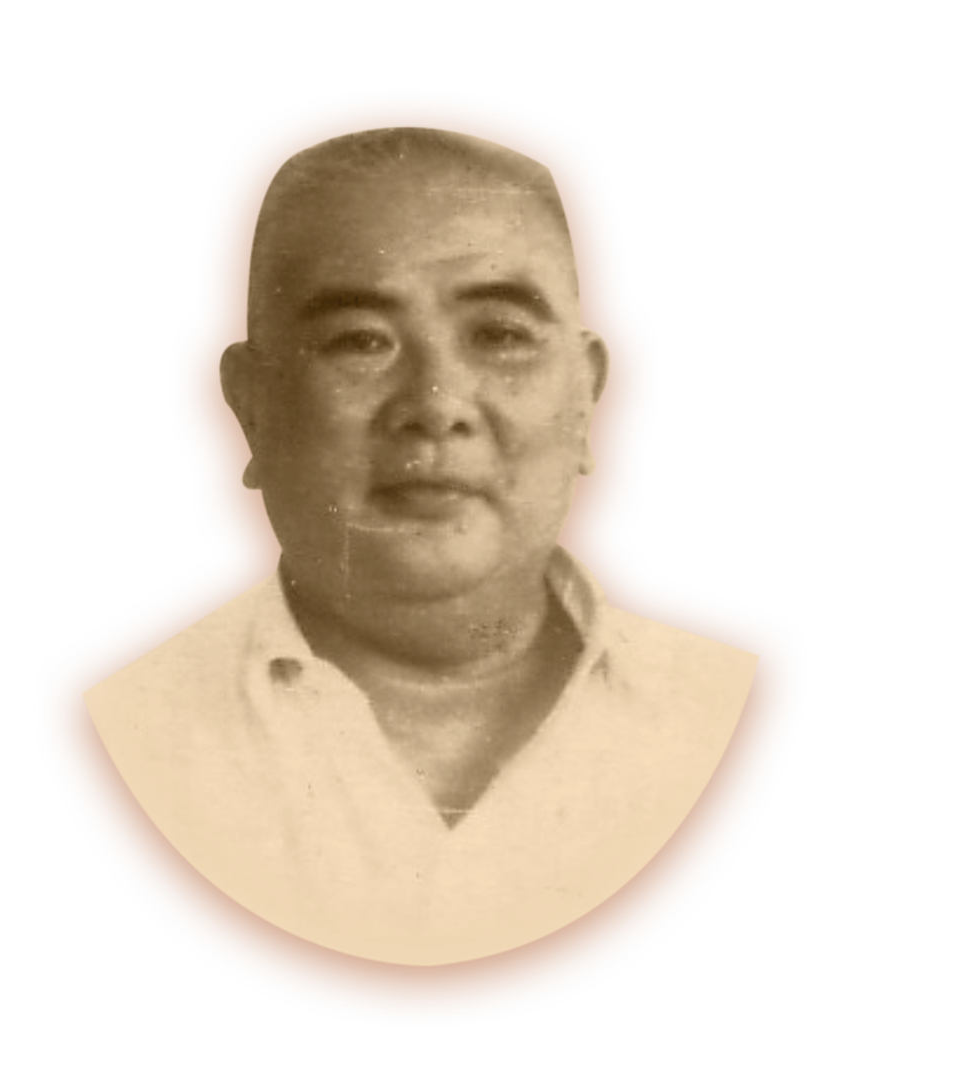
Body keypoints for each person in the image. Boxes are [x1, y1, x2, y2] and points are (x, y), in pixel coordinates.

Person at [83, 127, 759, 966]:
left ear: (586, 396)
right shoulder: (91, 742)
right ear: (251, 405)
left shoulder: (769, 725)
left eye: (500, 334)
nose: (437, 406)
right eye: (360, 340)